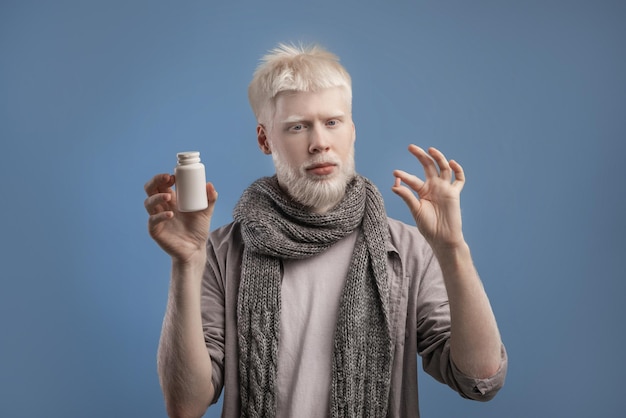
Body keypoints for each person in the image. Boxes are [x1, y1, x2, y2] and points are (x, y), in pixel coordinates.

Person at [144, 43, 507, 418]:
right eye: (298, 127)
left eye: (332, 122)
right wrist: (186, 263)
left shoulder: (406, 249)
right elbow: (186, 405)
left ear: (352, 130)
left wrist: (452, 249)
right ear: (265, 139)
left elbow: (480, 381)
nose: (320, 143)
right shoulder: (221, 251)